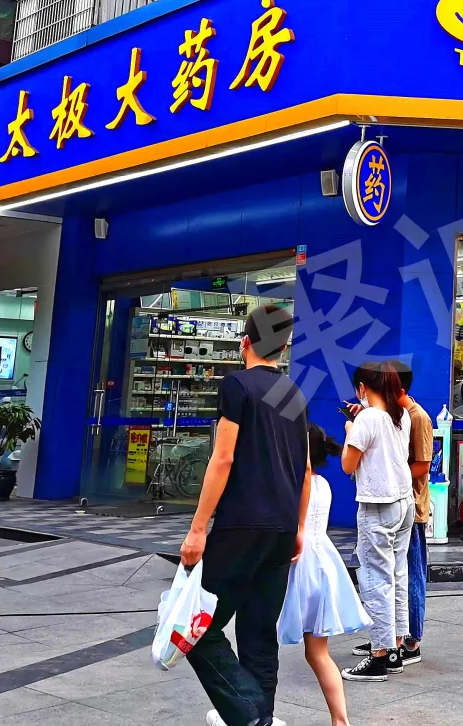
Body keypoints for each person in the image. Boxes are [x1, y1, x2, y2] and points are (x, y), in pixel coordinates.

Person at [180, 304, 309, 726]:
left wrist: (197, 529)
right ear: (284, 347)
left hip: (241, 524)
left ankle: (249, 713)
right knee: (259, 634)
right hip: (282, 526)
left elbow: (223, 458)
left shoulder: (237, 385)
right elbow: (305, 468)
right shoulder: (293, 393)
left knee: (197, 628)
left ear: (245, 343)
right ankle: (261, 718)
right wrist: (299, 527)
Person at [278, 425, 371, 726]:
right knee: (318, 652)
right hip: (324, 565)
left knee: (264, 645)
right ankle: (340, 720)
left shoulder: (292, 486)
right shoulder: (324, 485)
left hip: (298, 568)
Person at [340, 361, 414, 682]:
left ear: (362, 388)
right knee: (397, 575)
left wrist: (350, 431)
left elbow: (348, 464)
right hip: (404, 502)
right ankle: (395, 647)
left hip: (378, 505)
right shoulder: (401, 415)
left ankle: (380, 656)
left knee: (375, 579)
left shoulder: (368, 419)